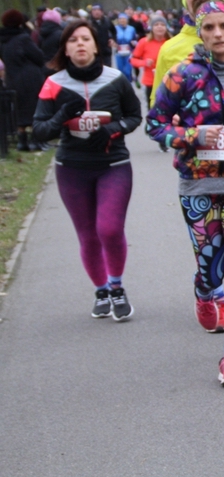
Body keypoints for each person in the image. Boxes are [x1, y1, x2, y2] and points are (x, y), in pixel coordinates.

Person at [146, 0, 224, 387]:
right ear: (199, 32)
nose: (218, 34)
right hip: (197, 184)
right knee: (211, 267)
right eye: (210, 27)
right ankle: (204, 290)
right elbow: (154, 125)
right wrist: (192, 136)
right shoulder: (181, 75)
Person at [32, 20, 142, 320]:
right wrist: (61, 117)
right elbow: (40, 130)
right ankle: (101, 290)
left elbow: (134, 116)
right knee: (88, 235)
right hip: (72, 168)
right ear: (65, 50)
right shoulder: (53, 83)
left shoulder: (116, 79)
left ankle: (117, 287)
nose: (80, 44)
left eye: (85, 38)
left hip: (113, 165)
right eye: (73, 40)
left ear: (96, 45)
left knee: (109, 228)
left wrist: (112, 130)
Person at [0, 10, 47, 151]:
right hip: (29, 79)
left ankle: (22, 141)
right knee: (34, 109)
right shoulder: (23, 38)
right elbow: (39, 57)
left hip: (12, 78)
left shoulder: (3, 40)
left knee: (19, 110)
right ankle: (35, 140)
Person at [131, 14, 170, 107]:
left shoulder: (171, 42)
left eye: (162, 25)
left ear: (166, 28)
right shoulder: (144, 42)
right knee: (152, 108)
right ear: (151, 28)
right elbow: (133, 60)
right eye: (156, 25)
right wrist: (144, 63)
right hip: (151, 82)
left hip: (169, 81)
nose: (159, 27)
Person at [113, 12, 137, 82]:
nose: (122, 20)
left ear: (127, 20)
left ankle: (129, 83)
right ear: (118, 20)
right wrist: (113, 43)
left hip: (129, 52)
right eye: (120, 19)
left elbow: (135, 39)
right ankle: (123, 85)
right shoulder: (115, 28)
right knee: (120, 71)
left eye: (124, 19)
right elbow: (111, 38)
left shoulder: (132, 29)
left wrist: (134, 43)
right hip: (119, 52)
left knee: (127, 71)